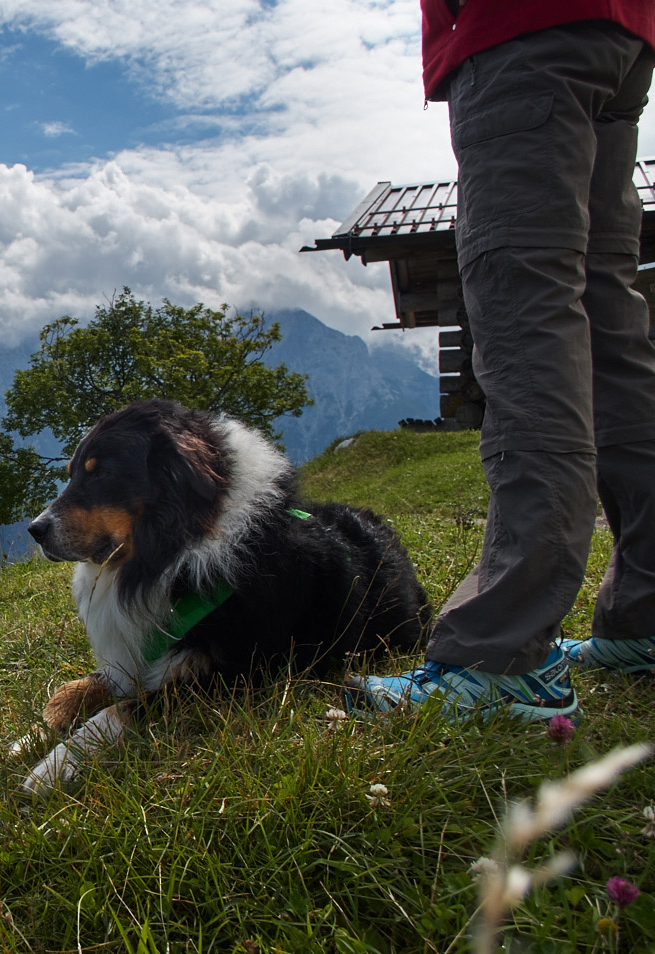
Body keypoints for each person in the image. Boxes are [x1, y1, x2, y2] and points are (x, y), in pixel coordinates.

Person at [344, 1, 655, 721]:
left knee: (525, 309)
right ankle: (645, 617)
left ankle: (503, 653)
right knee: (608, 315)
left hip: (521, 27)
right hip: (622, 29)